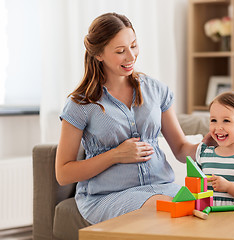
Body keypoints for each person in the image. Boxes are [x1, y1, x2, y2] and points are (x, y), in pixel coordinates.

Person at [55, 12, 202, 224]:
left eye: (133, 45)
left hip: (162, 187)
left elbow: (180, 149)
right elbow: (63, 173)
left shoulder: (155, 90)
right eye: (120, 51)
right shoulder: (81, 104)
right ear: (99, 55)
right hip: (108, 196)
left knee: (205, 207)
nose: (131, 56)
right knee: (169, 211)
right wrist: (115, 155)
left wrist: (207, 147)